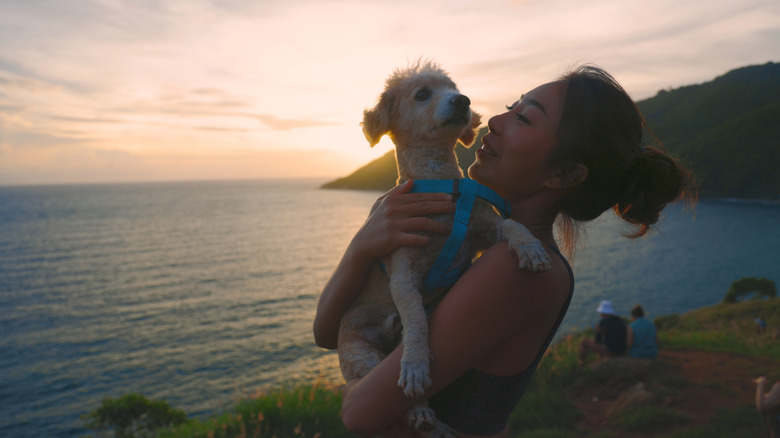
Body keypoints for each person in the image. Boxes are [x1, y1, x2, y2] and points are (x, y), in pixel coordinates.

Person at [313, 65, 694, 437]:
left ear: (561, 175)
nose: (495, 119)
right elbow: (330, 332)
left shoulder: (513, 266)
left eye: (524, 118)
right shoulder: (507, 251)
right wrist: (362, 248)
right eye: (512, 105)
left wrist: (355, 391)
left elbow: (359, 414)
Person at [578, 300, 627, 365]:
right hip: (622, 351)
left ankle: (581, 364)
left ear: (603, 313)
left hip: (612, 352)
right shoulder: (620, 321)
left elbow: (597, 340)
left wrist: (597, 331)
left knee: (584, 342)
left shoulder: (604, 322)